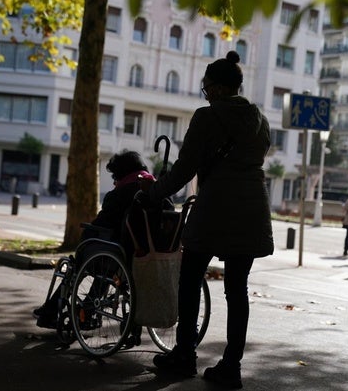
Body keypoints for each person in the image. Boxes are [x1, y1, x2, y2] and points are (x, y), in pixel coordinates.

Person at [143, 51, 274, 390]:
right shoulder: (259, 119)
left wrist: (156, 193)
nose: (205, 94)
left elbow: (184, 169)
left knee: (189, 278)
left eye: (205, 88)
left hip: (216, 206)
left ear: (215, 88)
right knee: (237, 290)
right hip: (251, 208)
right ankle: (232, 366)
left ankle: (184, 354)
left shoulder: (206, 117)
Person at [33, 150, 154, 328]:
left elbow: (101, 224)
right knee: (107, 264)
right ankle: (86, 311)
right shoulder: (156, 191)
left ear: (122, 174)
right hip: (148, 256)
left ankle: (51, 310)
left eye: (115, 176)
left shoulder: (118, 195)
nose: (114, 180)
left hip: (118, 255)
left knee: (83, 260)